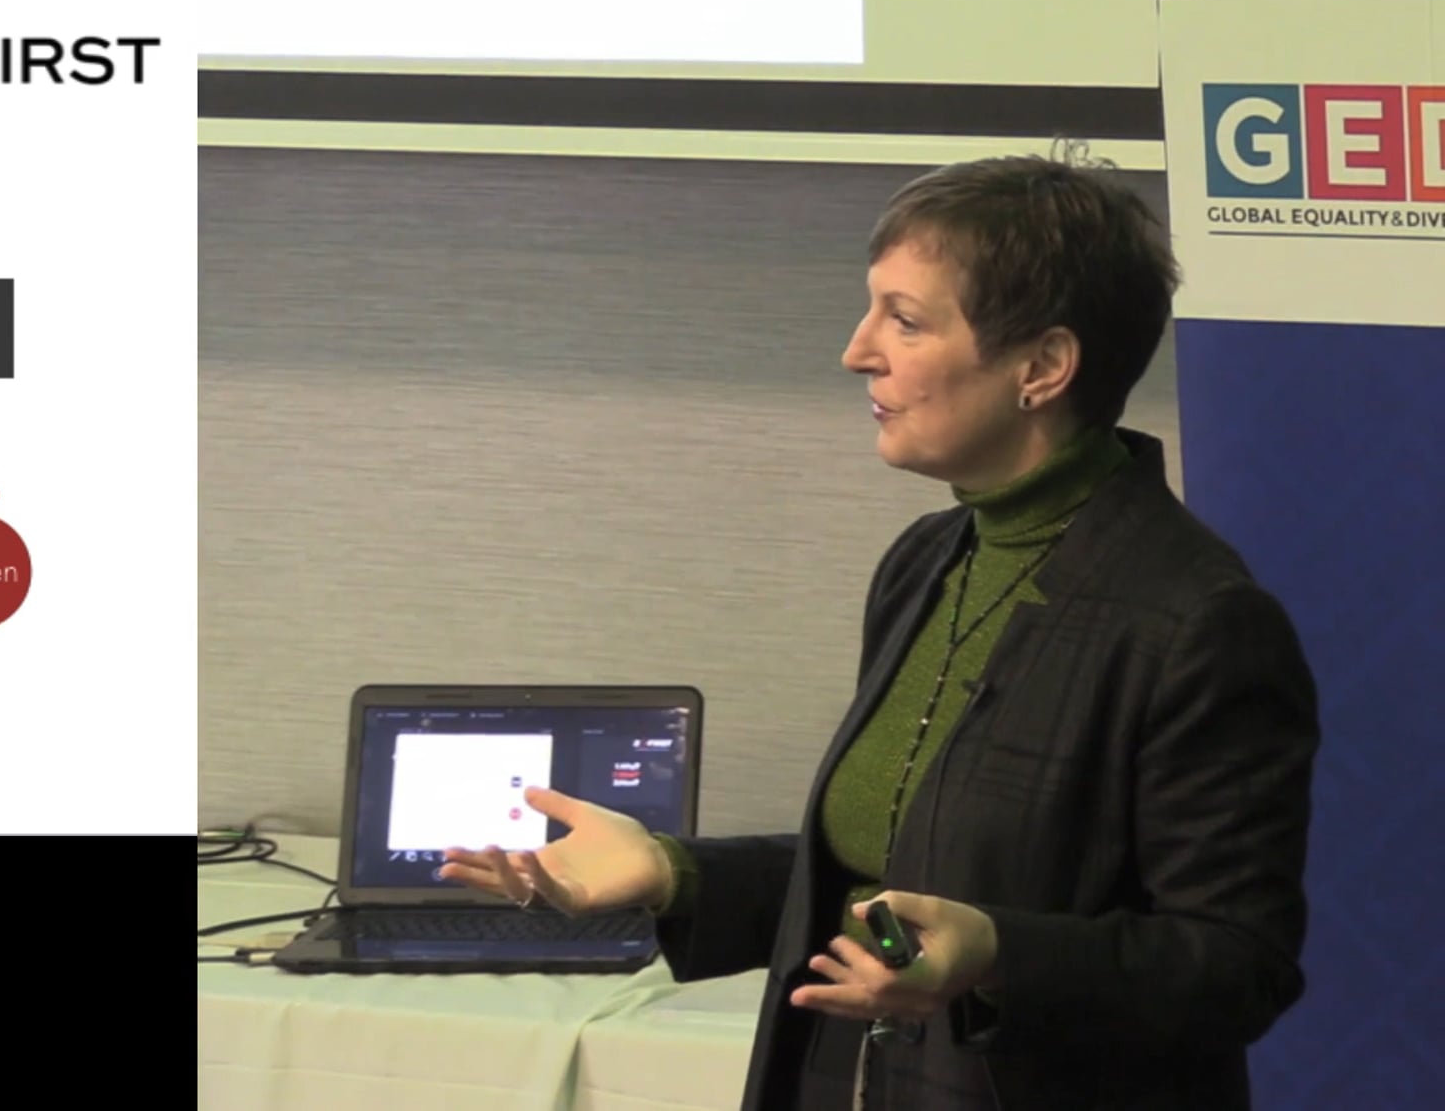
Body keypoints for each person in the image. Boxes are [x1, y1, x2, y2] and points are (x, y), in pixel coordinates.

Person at [442, 150, 1320, 1111]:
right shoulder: (926, 559)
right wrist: (674, 871)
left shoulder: (1201, 622)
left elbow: (1237, 966)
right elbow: (891, 876)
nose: (858, 351)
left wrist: (998, 954)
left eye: (904, 320)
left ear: (1041, 367)